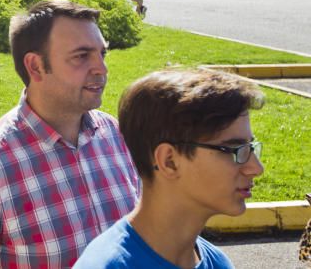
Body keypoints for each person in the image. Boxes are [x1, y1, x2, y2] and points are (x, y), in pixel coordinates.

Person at [0, 0, 139, 269]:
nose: (101, 68)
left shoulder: (115, 136)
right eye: (81, 56)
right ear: (35, 67)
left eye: (102, 53)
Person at [74, 69, 263, 268]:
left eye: (251, 148)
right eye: (234, 149)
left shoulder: (217, 262)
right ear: (169, 161)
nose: (256, 168)